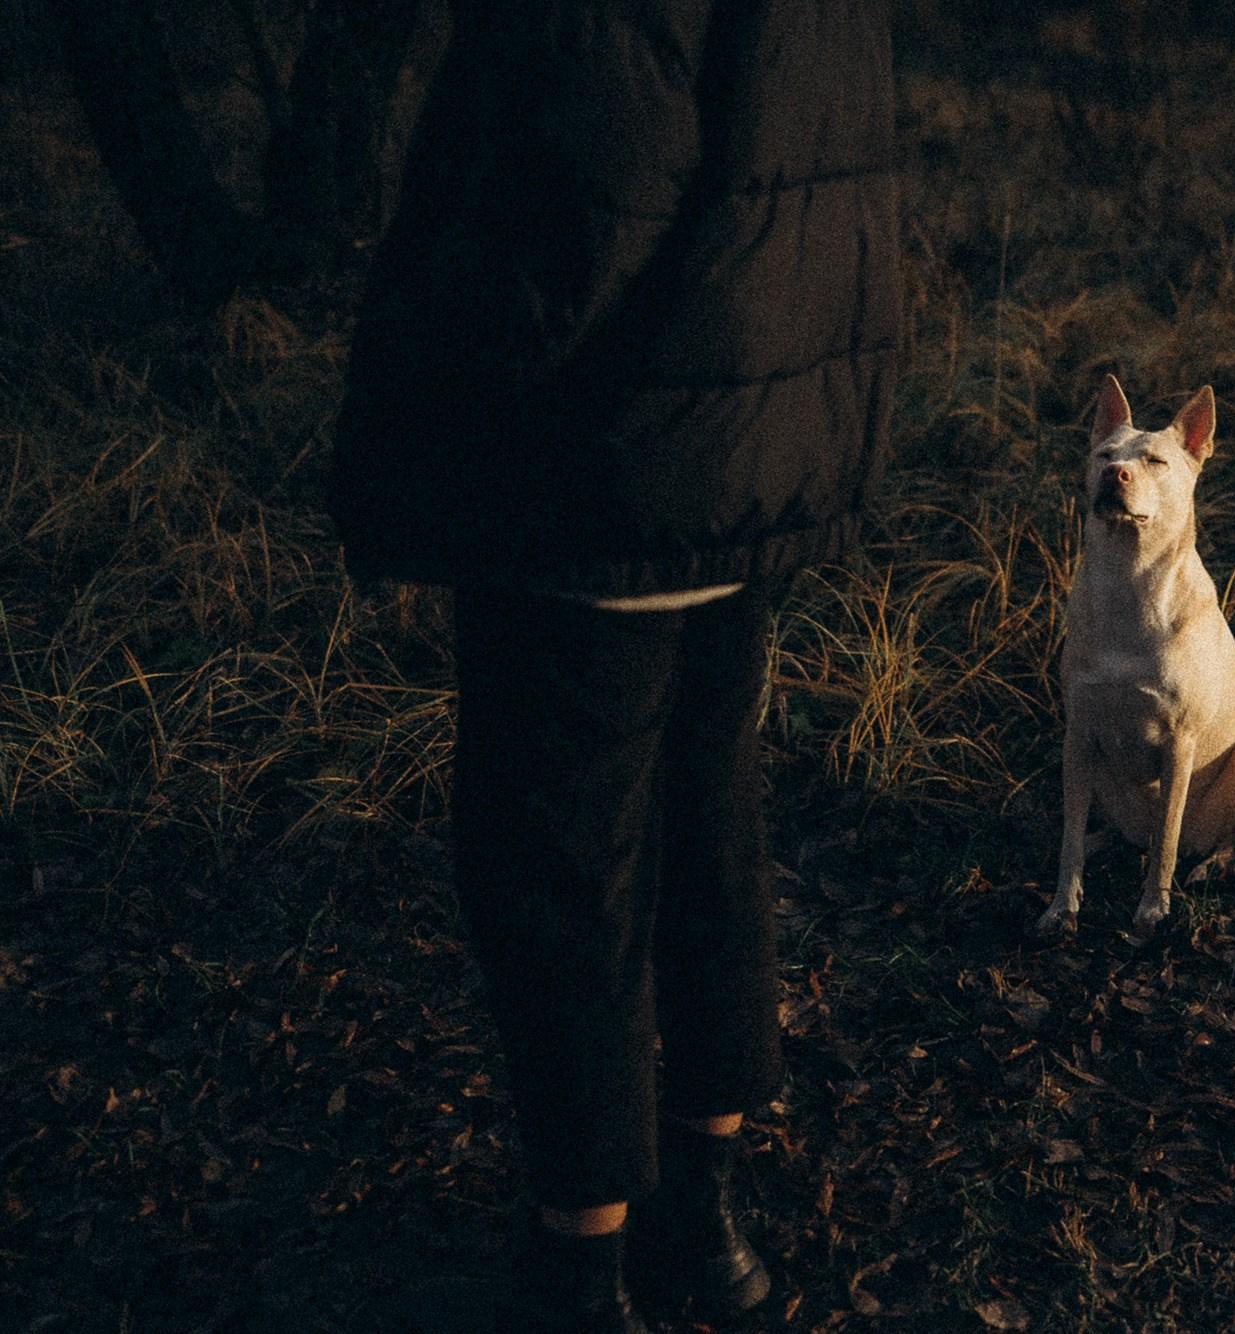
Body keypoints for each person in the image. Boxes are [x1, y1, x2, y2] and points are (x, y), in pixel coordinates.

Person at [330, 2, 899, 1329]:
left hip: (597, 468)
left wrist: (405, 385)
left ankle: (582, 1269)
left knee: (558, 866)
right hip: (740, 449)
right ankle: (706, 1228)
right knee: (707, 826)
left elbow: (573, 211)